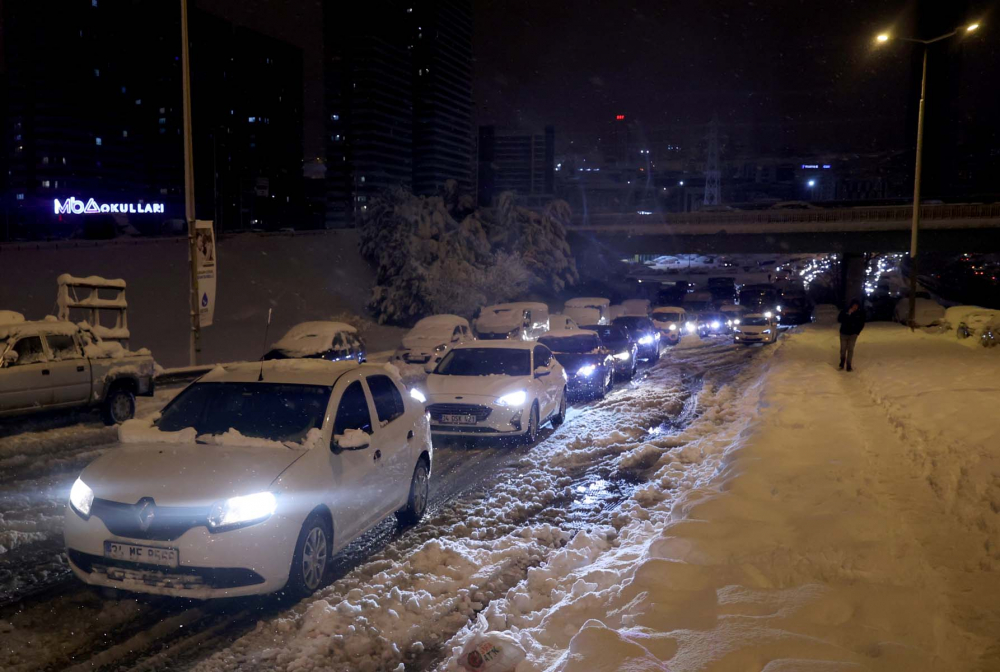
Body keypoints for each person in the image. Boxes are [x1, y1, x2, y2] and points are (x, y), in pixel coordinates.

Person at [837, 299, 865, 371]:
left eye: (857, 306)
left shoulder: (859, 313)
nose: (855, 307)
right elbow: (839, 319)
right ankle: (842, 362)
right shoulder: (845, 310)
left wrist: (857, 332)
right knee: (843, 349)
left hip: (853, 334)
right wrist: (848, 314)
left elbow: (861, 323)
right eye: (854, 305)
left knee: (850, 349)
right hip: (844, 333)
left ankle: (849, 365)